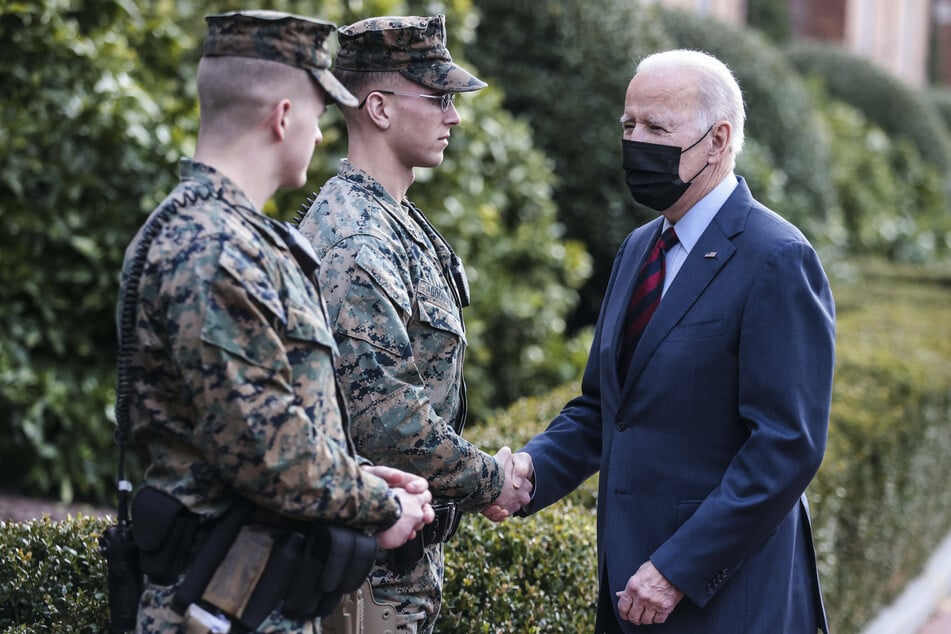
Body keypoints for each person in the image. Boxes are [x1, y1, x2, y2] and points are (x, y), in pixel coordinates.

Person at [121, 11, 434, 633]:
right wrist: (380, 504)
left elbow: (252, 425)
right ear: (283, 116)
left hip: (246, 598)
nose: (321, 136)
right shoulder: (214, 249)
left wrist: (353, 473)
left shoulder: (226, 235)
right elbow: (267, 453)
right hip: (214, 605)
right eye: (319, 117)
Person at [509, 49, 836, 633]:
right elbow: (605, 409)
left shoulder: (778, 258)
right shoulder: (639, 248)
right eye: (629, 126)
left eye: (657, 128)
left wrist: (678, 570)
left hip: (728, 601)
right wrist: (529, 474)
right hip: (627, 591)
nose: (637, 143)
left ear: (718, 140)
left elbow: (787, 445)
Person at [295, 14, 532, 634]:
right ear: (378, 107)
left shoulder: (391, 218)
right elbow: (383, 417)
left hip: (398, 568)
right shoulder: (355, 237)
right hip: (366, 574)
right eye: (440, 98)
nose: (453, 116)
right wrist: (490, 481)